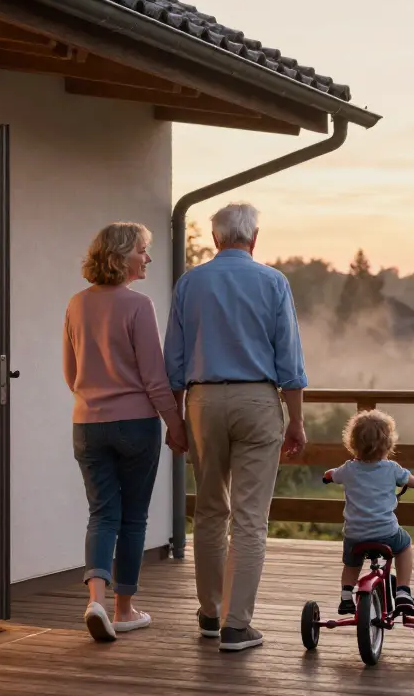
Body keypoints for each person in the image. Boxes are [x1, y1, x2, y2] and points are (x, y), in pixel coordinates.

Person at [164, 202, 307, 652]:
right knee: (249, 517)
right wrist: (297, 420)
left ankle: (209, 614)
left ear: (215, 239)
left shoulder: (190, 283)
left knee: (208, 511)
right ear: (255, 238)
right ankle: (236, 625)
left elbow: (175, 360)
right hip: (258, 400)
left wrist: (176, 420)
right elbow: (290, 359)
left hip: (203, 401)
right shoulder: (273, 282)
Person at [63, 222, 189, 643]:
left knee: (102, 514)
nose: (147, 258)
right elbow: (155, 378)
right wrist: (177, 426)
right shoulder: (139, 306)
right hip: (136, 424)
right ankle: (124, 609)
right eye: (142, 250)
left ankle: (95, 600)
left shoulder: (76, 305)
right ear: (121, 256)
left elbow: (70, 374)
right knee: (133, 518)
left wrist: (95, 398)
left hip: (87, 424)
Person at [323, 409, 414, 617]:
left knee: (352, 562)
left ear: (352, 443)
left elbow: (332, 475)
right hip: (386, 532)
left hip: (355, 533)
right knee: (404, 545)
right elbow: (413, 482)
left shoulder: (348, 469)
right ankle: (403, 591)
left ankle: (346, 596)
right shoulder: (392, 468)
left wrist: (327, 476)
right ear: (388, 444)